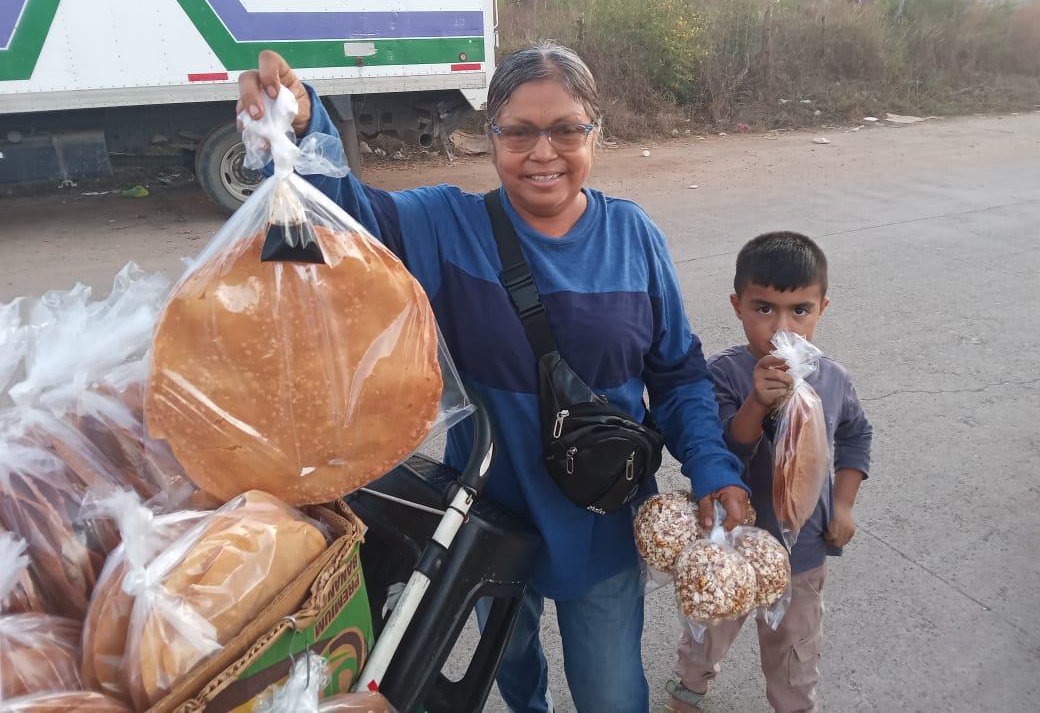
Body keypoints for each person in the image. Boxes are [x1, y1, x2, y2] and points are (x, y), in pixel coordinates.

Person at [237, 44, 749, 713]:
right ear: (491, 138)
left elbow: (678, 373)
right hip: (489, 525)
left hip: (601, 521)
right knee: (512, 673)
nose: (544, 153)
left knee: (613, 693)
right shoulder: (447, 227)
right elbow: (340, 218)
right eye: (519, 131)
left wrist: (713, 467)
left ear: (595, 131)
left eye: (566, 129)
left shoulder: (634, 236)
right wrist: (303, 125)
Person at [665, 232, 873, 713]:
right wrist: (757, 402)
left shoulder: (833, 379)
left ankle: (793, 704)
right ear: (737, 307)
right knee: (710, 627)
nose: (783, 327)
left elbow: (856, 436)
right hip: (731, 543)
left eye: (800, 310)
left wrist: (843, 505)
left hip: (802, 552)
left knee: (794, 648)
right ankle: (688, 692)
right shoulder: (724, 375)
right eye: (764, 310)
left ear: (822, 307)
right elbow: (722, 454)